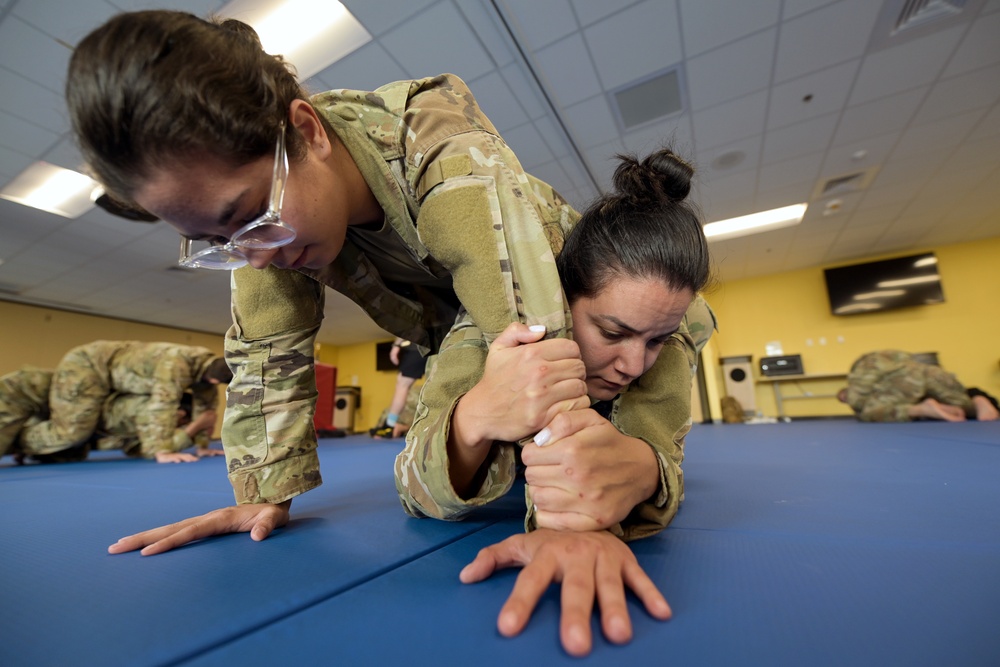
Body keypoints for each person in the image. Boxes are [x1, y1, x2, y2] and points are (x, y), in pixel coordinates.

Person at [67, 12, 714, 652]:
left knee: (643, 353)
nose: (251, 252)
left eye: (244, 217)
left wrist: (578, 514)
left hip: (549, 298)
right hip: (459, 330)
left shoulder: (441, 151)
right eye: (216, 241)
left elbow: (530, 323)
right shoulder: (269, 231)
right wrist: (264, 490)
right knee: (460, 416)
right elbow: (265, 343)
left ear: (307, 128)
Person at [395, 148, 712, 655]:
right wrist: (474, 419)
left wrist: (646, 471)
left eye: (654, 340)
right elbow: (413, 490)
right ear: (564, 300)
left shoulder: (677, 330)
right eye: (612, 332)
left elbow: (663, 455)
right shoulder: (486, 334)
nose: (634, 364)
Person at [15, 341, 231, 458]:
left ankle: (36, 440)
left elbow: (207, 411)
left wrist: (203, 446)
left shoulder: (208, 373)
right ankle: (16, 439)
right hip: (88, 366)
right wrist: (163, 450)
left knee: (78, 444)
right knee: (72, 431)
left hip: (111, 383)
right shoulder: (177, 363)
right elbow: (162, 406)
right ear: (213, 379)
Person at [1, 367, 220, 463]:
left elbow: (140, 449)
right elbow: (160, 449)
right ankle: (17, 441)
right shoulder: (145, 408)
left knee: (70, 453)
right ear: (180, 414)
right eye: (184, 422)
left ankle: (22, 443)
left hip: (69, 427)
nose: (181, 426)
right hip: (30, 397)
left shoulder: (152, 418)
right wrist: (197, 426)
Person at [837, 350, 999, 422]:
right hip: (932, 373)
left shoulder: (859, 383)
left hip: (909, 385)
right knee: (962, 403)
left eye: (843, 396)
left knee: (866, 414)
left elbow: (859, 404)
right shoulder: (890, 359)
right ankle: (979, 399)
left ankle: (922, 409)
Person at [370, 338, 426, 438]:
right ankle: (390, 426)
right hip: (447, 341)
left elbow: (412, 324)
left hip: (423, 342)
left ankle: (389, 426)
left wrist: (396, 346)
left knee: (402, 384)